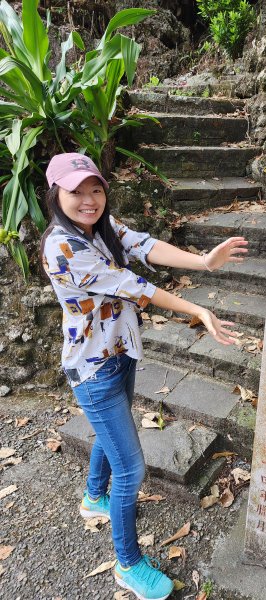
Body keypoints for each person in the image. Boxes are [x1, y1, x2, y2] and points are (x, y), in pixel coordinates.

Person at [40, 153, 248, 600]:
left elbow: (144, 244)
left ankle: (95, 496)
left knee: (110, 438)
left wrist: (205, 262)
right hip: (93, 370)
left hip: (121, 355)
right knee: (132, 471)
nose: (89, 199)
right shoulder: (61, 246)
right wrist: (197, 308)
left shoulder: (101, 229)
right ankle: (128, 564)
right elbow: (132, 285)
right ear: (56, 194)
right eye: (76, 191)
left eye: (95, 188)